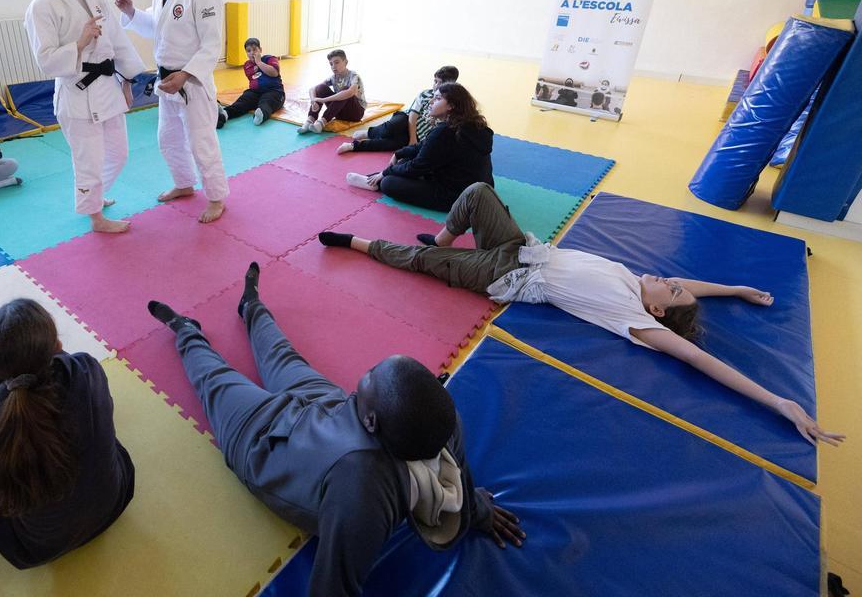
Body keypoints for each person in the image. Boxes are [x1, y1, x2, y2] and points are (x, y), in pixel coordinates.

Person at [318, 183, 847, 447]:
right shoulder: (637, 281)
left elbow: (698, 358)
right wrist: (732, 288)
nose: (669, 278)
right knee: (479, 192)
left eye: (670, 289)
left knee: (424, 264)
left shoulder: (633, 317)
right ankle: (439, 236)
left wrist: (781, 401)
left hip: (509, 277)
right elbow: (690, 290)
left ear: (657, 311)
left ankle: (358, 242)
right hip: (522, 247)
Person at [146, 263, 524, 596]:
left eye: (368, 378)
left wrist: (475, 514)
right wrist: (478, 511)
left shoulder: (361, 491)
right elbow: (458, 471)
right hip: (327, 408)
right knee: (282, 354)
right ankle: (252, 307)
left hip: (266, 438)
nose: (365, 374)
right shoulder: (443, 419)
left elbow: (332, 588)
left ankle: (185, 330)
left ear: (372, 420)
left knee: (215, 380)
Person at [0, 299, 135, 569]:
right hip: (113, 504)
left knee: (13, 479)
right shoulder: (88, 369)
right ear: (57, 346)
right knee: (105, 442)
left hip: (36, 546)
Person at [24, 0, 146, 233]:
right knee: (88, 161)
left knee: (119, 154)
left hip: (108, 85)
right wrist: (79, 42)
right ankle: (96, 218)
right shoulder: (41, 7)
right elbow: (46, 60)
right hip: (77, 94)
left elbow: (118, 41)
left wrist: (129, 80)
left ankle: (95, 196)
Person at [115, 0, 229, 223]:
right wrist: (130, 12)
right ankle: (184, 182)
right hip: (166, 82)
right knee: (168, 138)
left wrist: (187, 74)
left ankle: (216, 197)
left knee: (201, 142)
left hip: (191, 84)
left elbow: (211, 46)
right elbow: (157, 25)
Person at [344, 83, 494, 212]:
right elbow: (425, 145)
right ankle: (375, 178)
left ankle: (376, 182)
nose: (430, 102)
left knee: (388, 183)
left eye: (438, 98)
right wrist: (399, 153)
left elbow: (418, 166)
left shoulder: (446, 132)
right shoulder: (469, 125)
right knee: (405, 160)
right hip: (482, 189)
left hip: (458, 196)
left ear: (451, 106)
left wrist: (385, 173)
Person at [338, 66, 458, 154]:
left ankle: (354, 146)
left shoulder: (451, 105)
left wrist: (417, 141)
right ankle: (369, 133)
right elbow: (413, 116)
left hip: (419, 134)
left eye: (439, 82)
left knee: (392, 144)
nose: (435, 85)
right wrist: (412, 138)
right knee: (390, 128)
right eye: (435, 81)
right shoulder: (425, 94)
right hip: (406, 119)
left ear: (449, 84)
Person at [217, 37, 285, 128]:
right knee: (243, 101)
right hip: (256, 92)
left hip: (274, 91)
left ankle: (261, 115)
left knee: (267, 102)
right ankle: (225, 114)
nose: (252, 53)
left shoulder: (270, 59)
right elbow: (252, 75)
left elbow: (274, 73)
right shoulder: (247, 65)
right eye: (248, 51)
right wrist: (257, 64)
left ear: (260, 50)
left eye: (254, 49)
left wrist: (259, 62)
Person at [300, 50, 366, 134]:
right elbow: (313, 88)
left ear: (345, 62)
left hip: (355, 113)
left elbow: (350, 92)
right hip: (339, 111)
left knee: (345, 90)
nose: (333, 66)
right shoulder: (333, 77)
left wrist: (324, 100)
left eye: (337, 62)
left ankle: (322, 122)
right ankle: (310, 120)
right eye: (331, 64)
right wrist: (314, 100)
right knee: (321, 87)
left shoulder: (354, 76)